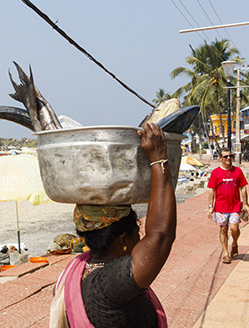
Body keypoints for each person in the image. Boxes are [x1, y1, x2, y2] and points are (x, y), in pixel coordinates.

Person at [49, 123, 175, 327]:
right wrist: (158, 158)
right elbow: (160, 236)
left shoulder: (81, 269)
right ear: (123, 238)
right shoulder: (109, 284)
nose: (141, 238)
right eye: (137, 231)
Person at [207, 147, 249, 264]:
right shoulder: (215, 172)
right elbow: (212, 190)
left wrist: (245, 204)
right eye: (225, 156)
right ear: (220, 158)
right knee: (223, 229)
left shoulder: (237, 171)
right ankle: (226, 253)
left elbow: (243, 187)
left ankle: (235, 243)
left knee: (234, 228)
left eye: (230, 156)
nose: (228, 158)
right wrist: (210, 207)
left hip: (235, 206)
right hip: (220, 207)